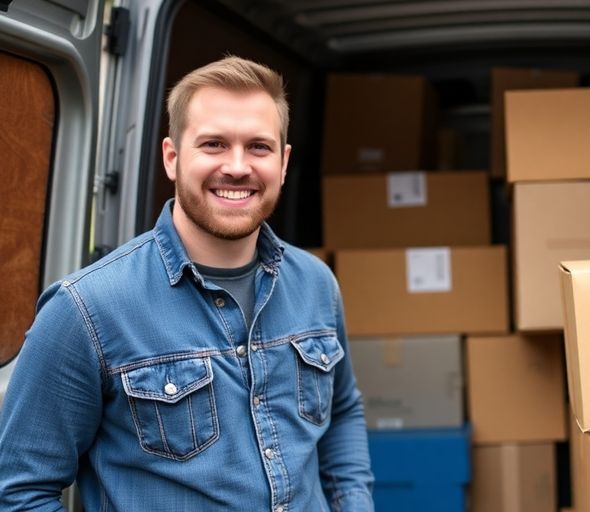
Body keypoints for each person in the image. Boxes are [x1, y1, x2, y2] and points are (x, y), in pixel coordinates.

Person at [0, 56, 374, 511]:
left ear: (283, 161)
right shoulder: (87, 309)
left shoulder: (316, 283)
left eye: (258, 147)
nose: (238, 167)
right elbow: (21, 492)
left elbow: (342, 413)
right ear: (173, 158)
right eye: (214, 144)